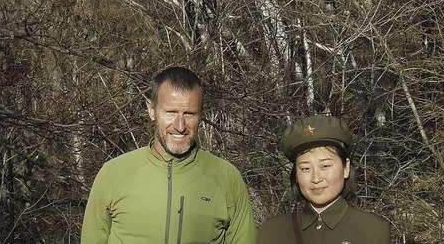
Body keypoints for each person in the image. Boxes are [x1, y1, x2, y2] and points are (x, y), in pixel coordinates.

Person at [81, 66, 256, 244]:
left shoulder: (227, 178)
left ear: (201, 114)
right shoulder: (113, 174)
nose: (180, 126)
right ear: (151, 110)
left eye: (189, 114)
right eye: (171, 112)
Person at [257, 115, 390, 244]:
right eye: (305, 169)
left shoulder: (372, 230)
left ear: (346, 168)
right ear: (296, 175)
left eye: (325, 166)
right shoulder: (271, 232)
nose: (316, 178)